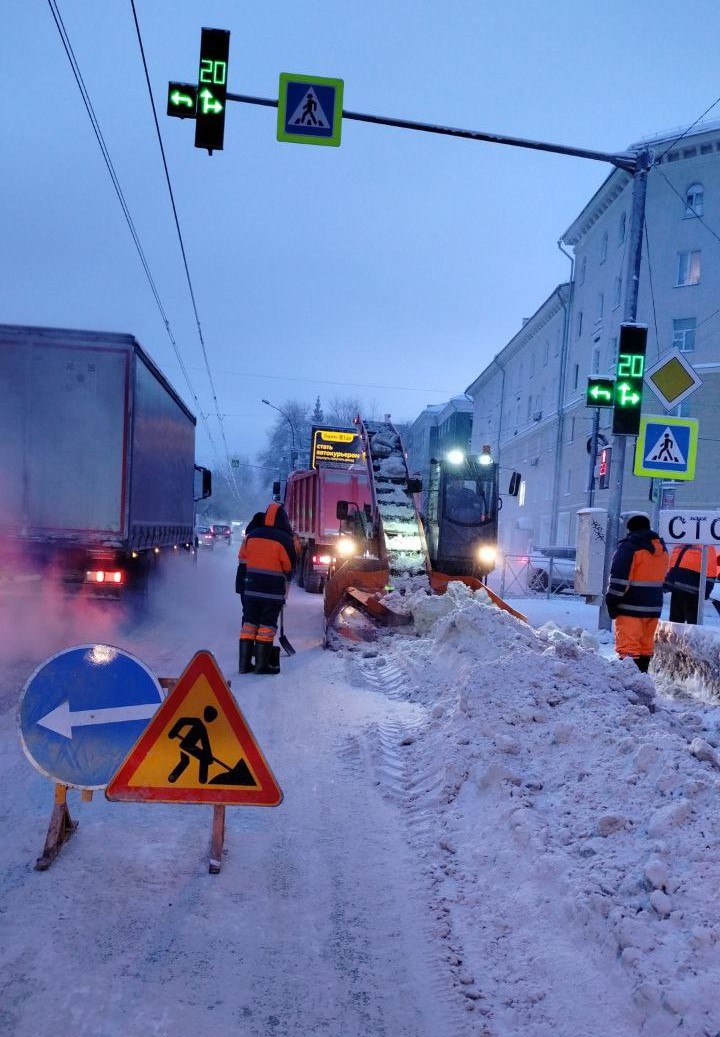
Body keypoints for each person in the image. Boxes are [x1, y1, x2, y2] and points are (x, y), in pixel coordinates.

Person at [605, 514, 669, 673]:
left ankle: (629, 683)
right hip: (653, 608)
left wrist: (611, 601)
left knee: (628, 650)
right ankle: (642, 680)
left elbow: (619, 578)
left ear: (630, 529)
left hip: (629, 608)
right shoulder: (661, 549)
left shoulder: (629, 547)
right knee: (645, 648)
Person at [237, 503, 296, 675]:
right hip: (271, 591)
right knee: (267, 625)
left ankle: (244, 665)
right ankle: (262, 665)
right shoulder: (284, 539)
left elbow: (243, 559)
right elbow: (288, 566)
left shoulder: (251, 536)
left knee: (249, 624)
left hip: (251, 589)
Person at [665, 543, 719, 624]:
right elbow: (674, 562)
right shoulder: (681, 541)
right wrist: (668, 581)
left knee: (691, 624)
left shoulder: (705, 543)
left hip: (693, 592)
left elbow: (710, 568)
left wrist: (706, 589)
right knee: (675, 624)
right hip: (679, 589)